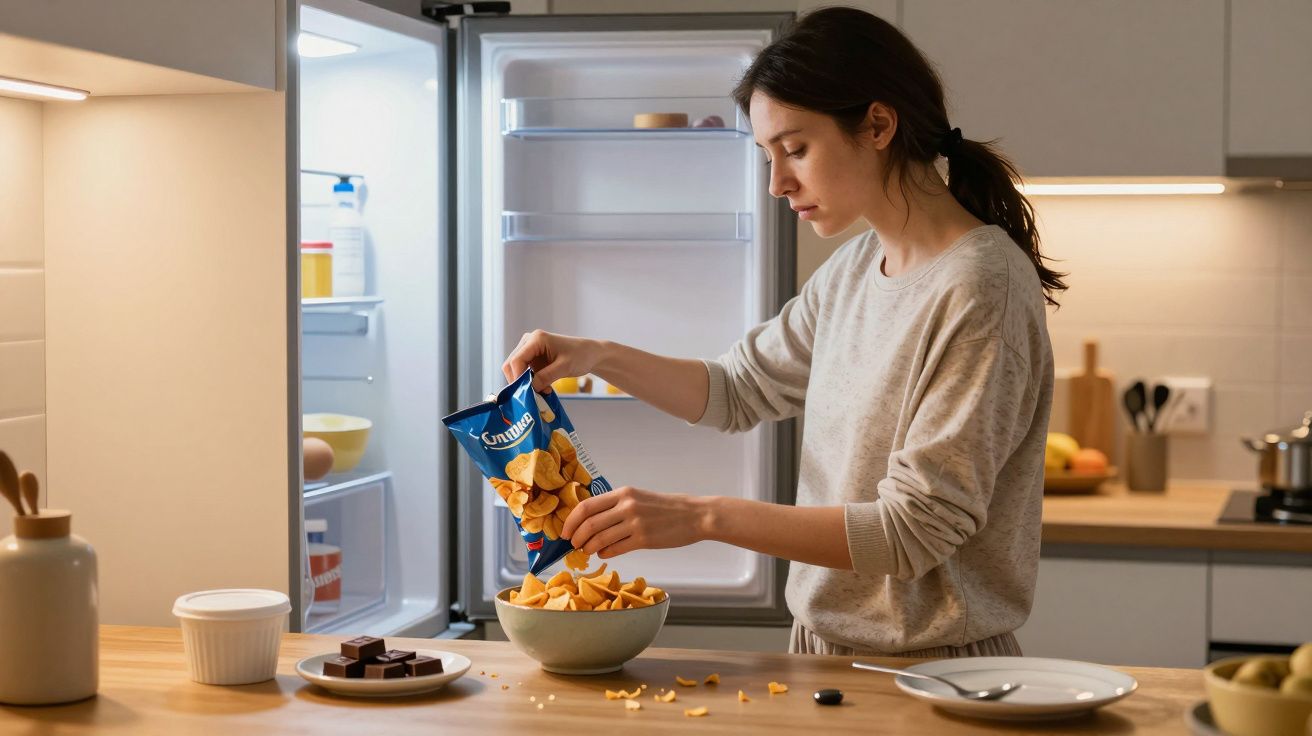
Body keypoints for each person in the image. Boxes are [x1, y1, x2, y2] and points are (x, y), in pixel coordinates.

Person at [501, 6, 1065, 658]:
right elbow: (736, 390)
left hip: (933, 676)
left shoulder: (979, 288)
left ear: (878, 125)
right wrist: (594, 354)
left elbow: (913, 531)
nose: (776, 183)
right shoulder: (856, 268)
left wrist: (701, 518)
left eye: (795, 148)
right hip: (822, 652)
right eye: (768, 155)